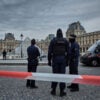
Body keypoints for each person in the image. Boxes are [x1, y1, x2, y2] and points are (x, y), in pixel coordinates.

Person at [48, 28, 69, 97]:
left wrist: (49, 61)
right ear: (62, 33)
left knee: (55, 75)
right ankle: (62, 91)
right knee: (62, 75)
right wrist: (67, 62)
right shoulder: (65, 40)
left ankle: (53, 90)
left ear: (56, 34)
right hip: (63, 59)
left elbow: (49, 52)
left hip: (55, 59)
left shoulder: (53, 40)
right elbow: (68, 52)